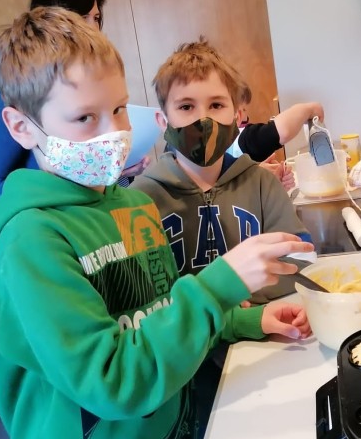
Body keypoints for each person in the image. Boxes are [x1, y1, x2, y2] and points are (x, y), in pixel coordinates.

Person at [0, 6, 313, 439]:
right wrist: (219, 284)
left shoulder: (131, 207)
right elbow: (112, 380)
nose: (111, 132)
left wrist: (245, 319)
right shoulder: (31, 243)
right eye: (84, 117)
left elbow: (159, 304)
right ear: (21, 127)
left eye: (117, 110)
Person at [132, 39, 311, 304]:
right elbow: (141, 291)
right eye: (185, 107)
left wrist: (244, 298)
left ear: (238, 117)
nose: (203, 120)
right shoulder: (141, 199)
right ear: (162, 121)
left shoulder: (262, 184)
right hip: (187, 342)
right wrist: (221, 304)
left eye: (216, 105)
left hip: (259, 333)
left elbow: (299, 258)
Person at [0, 0, 147, 208]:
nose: (94, 28)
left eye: (97, 18)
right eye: (83, 18)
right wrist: (54, 190)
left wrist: (116, 172)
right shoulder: (23, 96)